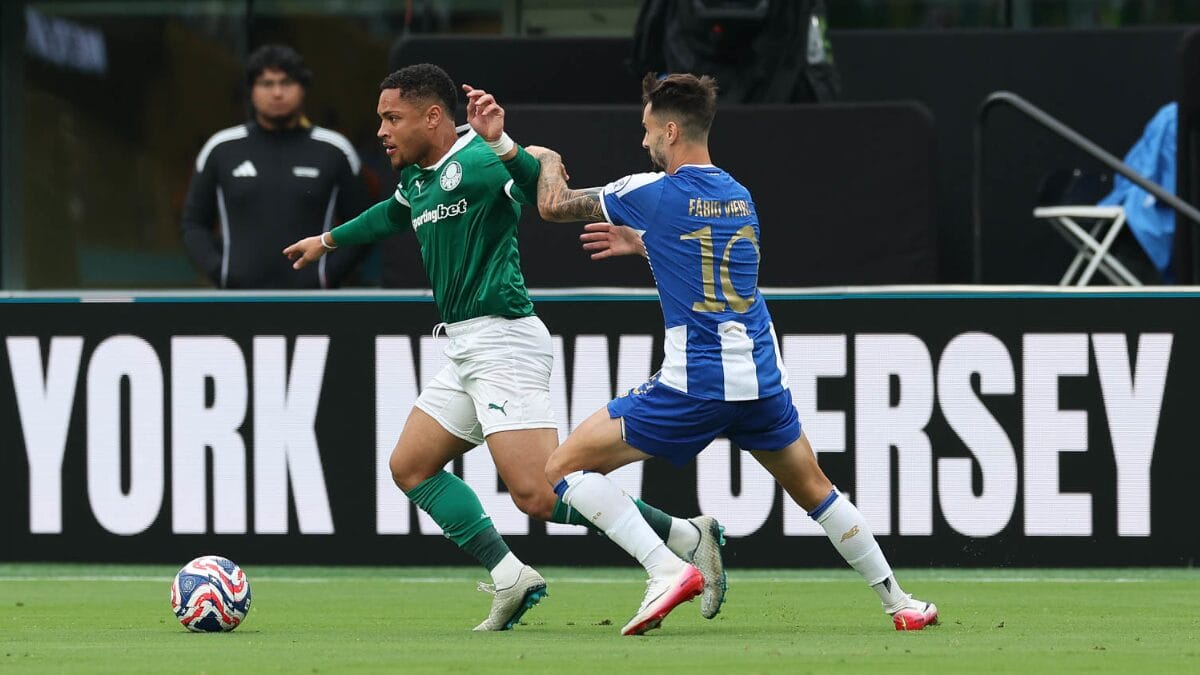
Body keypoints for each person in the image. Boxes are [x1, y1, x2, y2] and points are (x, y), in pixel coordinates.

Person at [282, 64, 724, 631]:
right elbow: (391, 214)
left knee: (538, 495)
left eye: (392, 118)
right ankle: (513, 575)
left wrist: (505, 143)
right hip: (465, 349)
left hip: (505, 342)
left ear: (433, 116)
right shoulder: (418, 178)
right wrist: (327, 239)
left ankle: (678, 544)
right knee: (411, 467)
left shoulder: (481, 158)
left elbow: (530, 176)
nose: (382, 131)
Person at [531, 73, 938, 636]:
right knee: (818, 491)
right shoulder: (738, 195)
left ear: (671, 131)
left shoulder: (648, 192)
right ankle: (901, 603)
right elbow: (704, 252)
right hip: (761, 383)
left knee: (561, 468)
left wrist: (543, 156)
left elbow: (552, 206)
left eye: (648, 130)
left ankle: (665, 569)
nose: (643, 140)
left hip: (693, 384)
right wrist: (642, 241)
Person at [182, 44, 370, 288]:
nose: (278, 93)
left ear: (303, 89)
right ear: (251, 91)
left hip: (314, 305)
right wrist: (222, 273)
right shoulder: (221, 148)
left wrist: (326, 276)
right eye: (267, 84)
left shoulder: (334, 150)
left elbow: (364, 226)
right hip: (238, 304)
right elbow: (193, 224)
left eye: (287, 82)